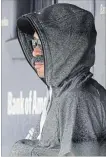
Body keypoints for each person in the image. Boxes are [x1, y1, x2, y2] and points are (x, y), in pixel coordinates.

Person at [10, 3, 106, 156]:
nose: (34, 52)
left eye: (42, 44)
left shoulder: (77, 98)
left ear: (65, 47)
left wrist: (23, 151)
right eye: (34, 43)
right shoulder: (60, 92)